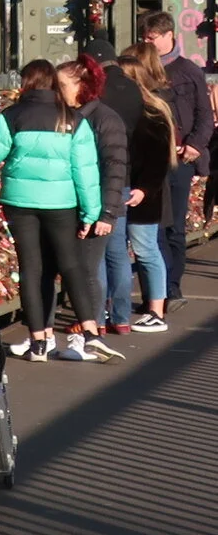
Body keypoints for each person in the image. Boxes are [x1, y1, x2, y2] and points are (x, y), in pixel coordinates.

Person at [0, 60, 105, 361]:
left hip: (20, 203)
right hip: (62, 202)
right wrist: (91, 213)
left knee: (31, 269)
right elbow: (86, 172)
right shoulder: (73, 119)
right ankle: (90, 330)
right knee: (70, 264)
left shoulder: (11, 116)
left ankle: (38, 341)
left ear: (25, 83)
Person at [141, 11, 211, 294]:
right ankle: (157, 292)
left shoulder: (189, 71)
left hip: (181, 160)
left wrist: (195, 145)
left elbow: (204, 114)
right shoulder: (141, 69)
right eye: (144, 37)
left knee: (174, 228)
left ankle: (172, 287)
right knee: (153, 227)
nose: (147, 42)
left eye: (151, 37)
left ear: (169, 35)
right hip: (152, 160)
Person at [80, 37, 146, 336]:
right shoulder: (134, 88)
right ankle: (121, 318)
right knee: (118, 252)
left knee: (95, 254)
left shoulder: (97, 93)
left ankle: (96, 318)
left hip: (98, 177)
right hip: (126, 172)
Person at [60, 58, 123, 357]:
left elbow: (115, 167)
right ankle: (87, 332)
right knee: (80, 269)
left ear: (82, 86)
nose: (56, 91)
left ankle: (91, 333)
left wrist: (107, 212)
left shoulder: (105, 119)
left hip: (97, 207)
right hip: (71, 204)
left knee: (87, 270)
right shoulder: (66, 115)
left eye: (61, 85)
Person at [118, 42, 179, 329]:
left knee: (145, 250)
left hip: (142, 193)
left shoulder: (153, 113)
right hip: (125, 189)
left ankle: (157, 309)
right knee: (122, 251)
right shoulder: (127, 111)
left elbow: (158, 160)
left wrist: (144, 189)